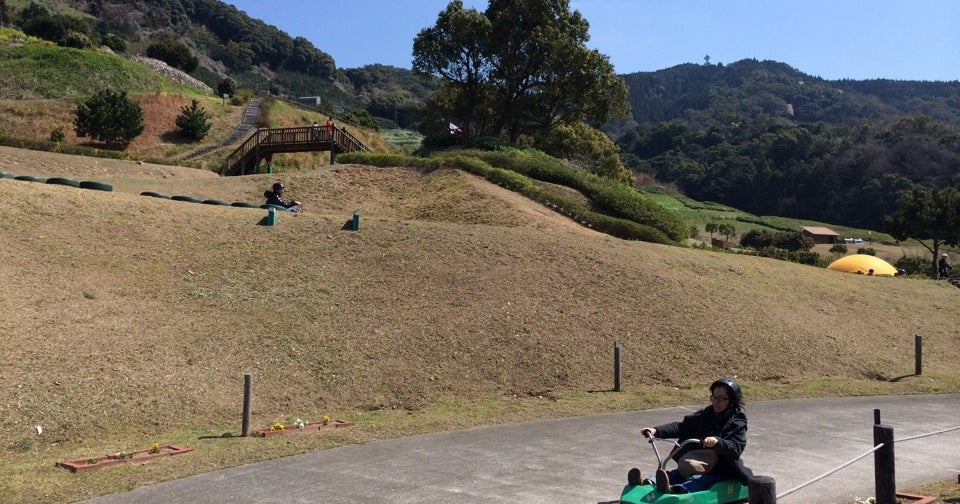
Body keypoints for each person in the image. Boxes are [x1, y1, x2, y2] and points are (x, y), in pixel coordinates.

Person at [635, 378, 752, 494]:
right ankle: (649, 483)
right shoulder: (706, 414)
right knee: (674, 475)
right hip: (699, 464)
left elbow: (737, 447)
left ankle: (679, 492)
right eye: (714, 397)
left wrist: (717, 442)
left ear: (732, 400)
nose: (716, 402)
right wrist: (656, 430)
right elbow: (682, 427)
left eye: (722, 398)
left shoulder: (737, 422)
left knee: (698, 480)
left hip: (721, 469)